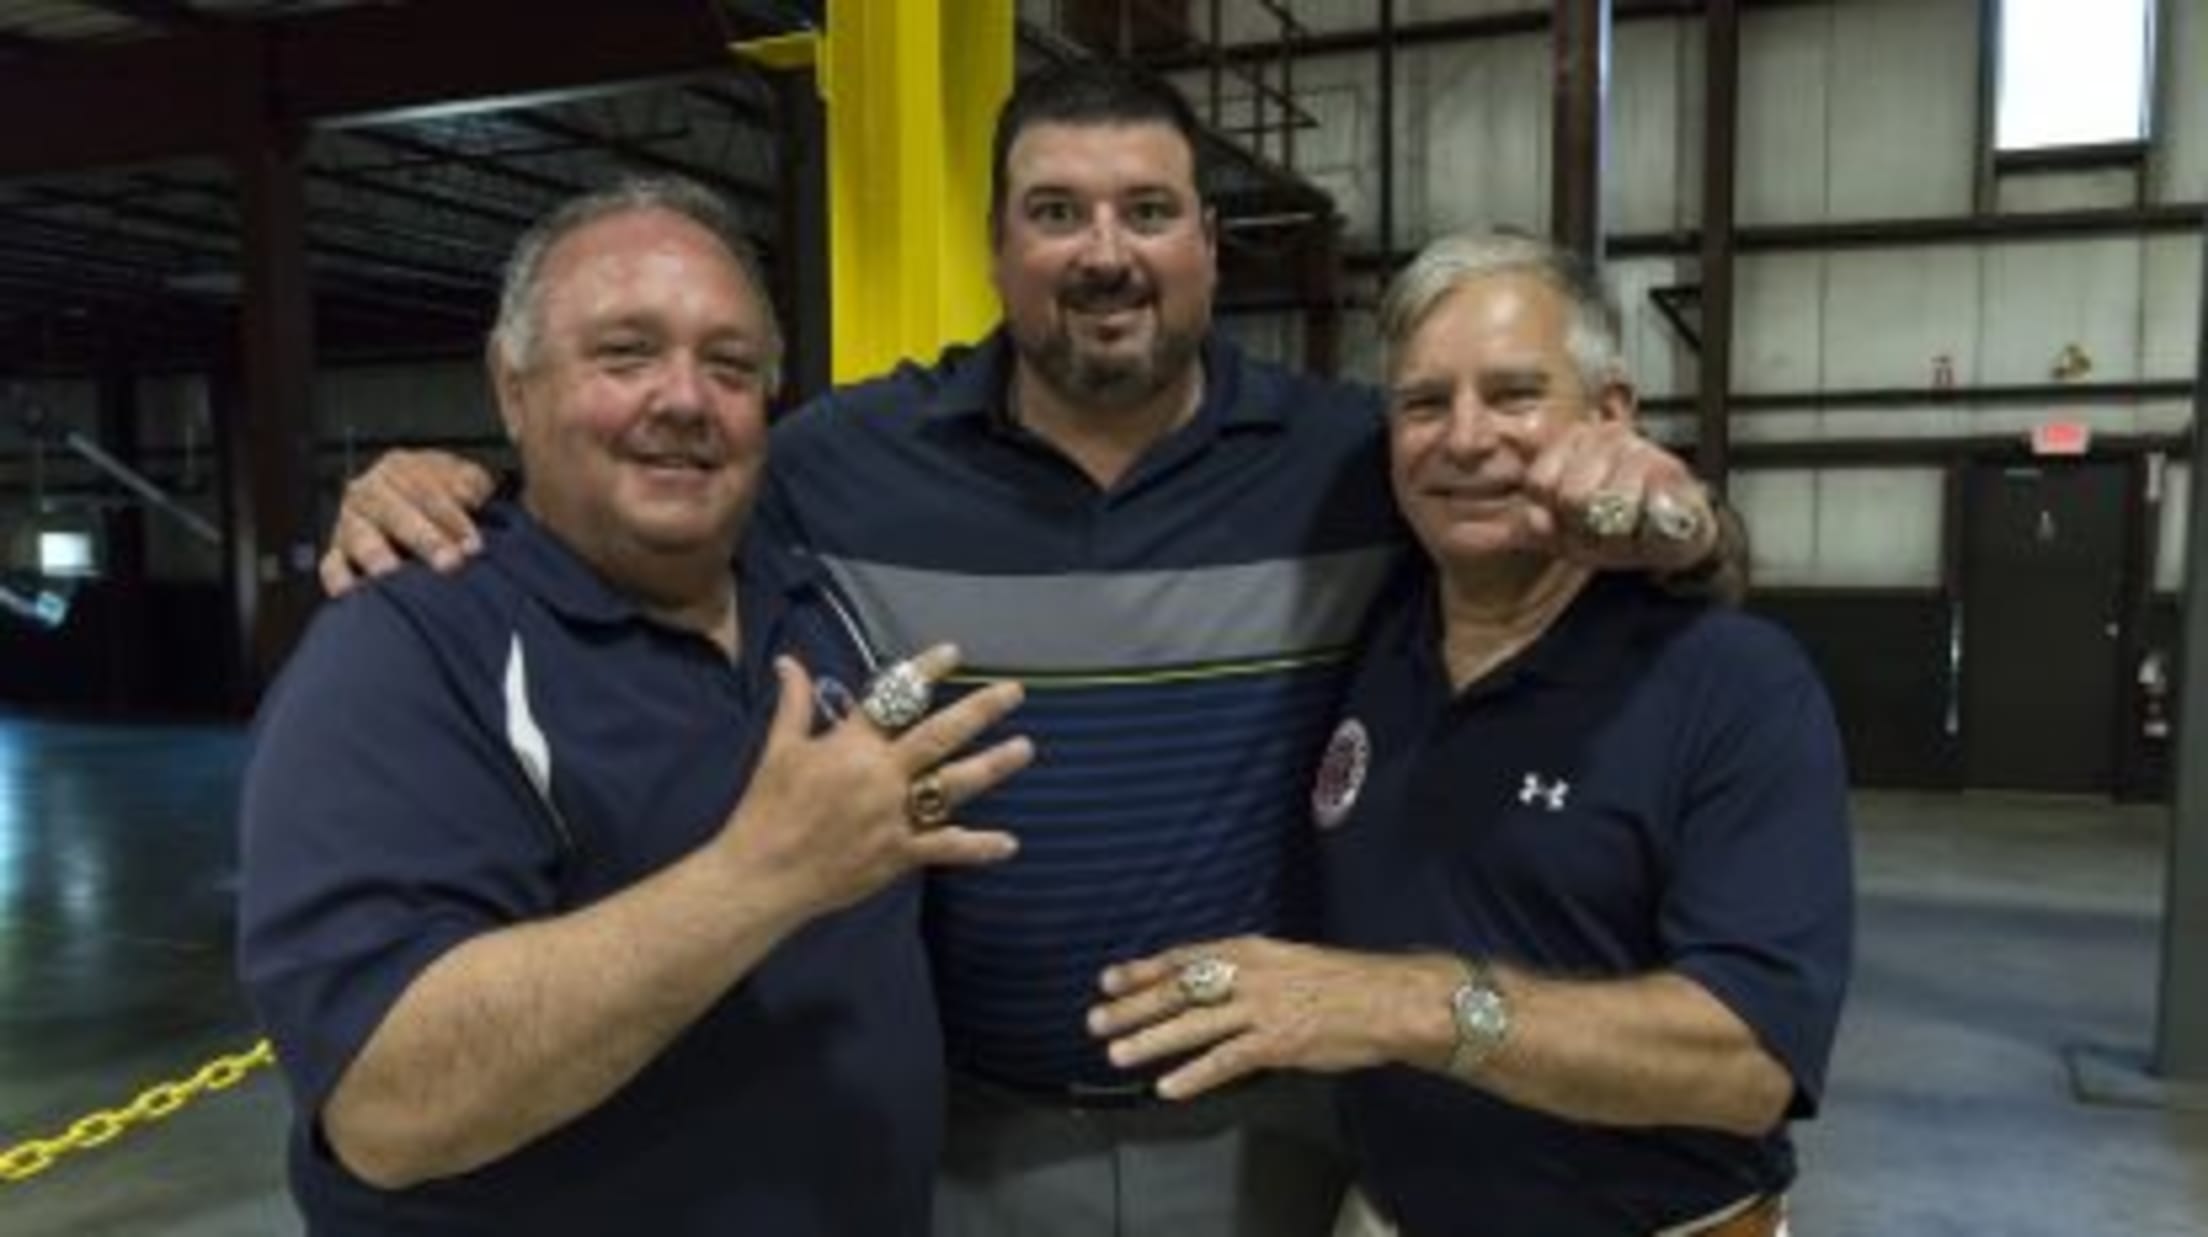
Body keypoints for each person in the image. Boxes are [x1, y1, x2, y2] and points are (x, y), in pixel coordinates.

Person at [315, 64, 1735, 1237]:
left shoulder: (1350, 462)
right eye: (1054, 211)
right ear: (996, 251)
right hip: (963, 1143)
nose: (1103, 251)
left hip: (1268, 1137)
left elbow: (1557, 546)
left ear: (1205, 247)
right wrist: (443, 486)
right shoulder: (837, 462)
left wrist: (1693, 527)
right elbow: (639, 482)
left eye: (1146, 210)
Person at [235, 177, 1036, 1235]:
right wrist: (767, 873)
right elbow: (389, 1102)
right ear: (512, 387)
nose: (686, 398)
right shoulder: (409, 650)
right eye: (625, 354)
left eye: (730, 365)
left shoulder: (811, 598)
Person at [1087, 231, 1852, 1237]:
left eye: (1514, 394)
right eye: (1422, 402)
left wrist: (1406, 1005)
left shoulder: (1731, 684)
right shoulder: (1371, 638)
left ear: (1611, 415)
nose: (1464, 436)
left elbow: (1747, 1063)